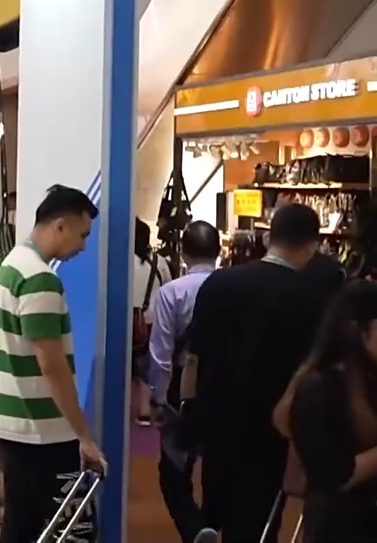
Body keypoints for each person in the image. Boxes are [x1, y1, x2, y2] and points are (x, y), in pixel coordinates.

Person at [185, 203, 326, 540]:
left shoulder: (219, 283)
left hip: (216, 427)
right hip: (269, 437)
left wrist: (189, 412)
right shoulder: (311, 299)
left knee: (215, 516)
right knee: (259, 526)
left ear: (267, 238)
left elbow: (193, 358)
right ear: (312, 246)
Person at [0, 184, 107, 543]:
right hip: (41, 430)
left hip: (14, 422)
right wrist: (84, 436)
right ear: (60, 225)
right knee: (73, 531)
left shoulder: (12, 265)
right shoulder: (40, 278)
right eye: (82, 234)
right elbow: (51, 365)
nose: (83, 246)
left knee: (23, 525)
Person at [275, 280, 377, 542]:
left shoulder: (363, 381)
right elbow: (334, 475)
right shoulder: (319, 389)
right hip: (340, 527)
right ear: (360, 330)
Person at [147, 221, 220, 543]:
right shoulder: (233, 287)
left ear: (183, 251)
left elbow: (161, 352)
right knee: (217, 463)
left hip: (182, 385)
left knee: (174, 472)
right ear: (218, 250)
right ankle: (213, 525)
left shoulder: (171, 292)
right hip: (225, 384)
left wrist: (158, 397)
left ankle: (195, 528)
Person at [132, 218, 171, 426]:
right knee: (146, 367)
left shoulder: (122, 259)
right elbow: (168, 288)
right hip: (151, 320)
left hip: (126, 319)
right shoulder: (159, 262)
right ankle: (144, 410)